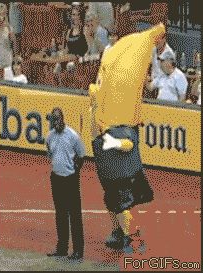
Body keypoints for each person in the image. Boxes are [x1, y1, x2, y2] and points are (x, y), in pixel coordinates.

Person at [89, 24, 164, 253]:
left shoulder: (121, 124)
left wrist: (113, 142)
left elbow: (128, 144)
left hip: (114, 156)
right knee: (111, 199)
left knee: (121, 202)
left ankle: (131, 238)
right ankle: (118, 233)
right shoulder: (103, 98)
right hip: (105, 154)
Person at [46, 108, 85, 260]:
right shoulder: (49, 137)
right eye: (53, 120)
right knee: (60, 214)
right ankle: (62, 248)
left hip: (70, 179)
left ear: (62, 118)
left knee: (74, 215)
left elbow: (81, 155)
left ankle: (78, 250)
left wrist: (75, 171)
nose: (56, 123)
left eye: (57, 119)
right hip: (56, 178)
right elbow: (50, 153)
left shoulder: (73, 136)